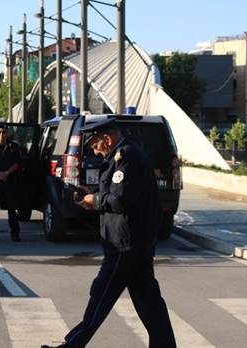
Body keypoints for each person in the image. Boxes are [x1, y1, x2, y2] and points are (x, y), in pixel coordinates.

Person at [41, 118, 175, 348]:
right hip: (134, 242)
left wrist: (94, 201)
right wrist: (89, 193)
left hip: (124, 244)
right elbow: (117, 191)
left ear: (107, 138)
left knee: (100, 297)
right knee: (149, 302)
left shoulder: (127, 157)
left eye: (94, 145)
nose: (94, 150)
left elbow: (121, 200)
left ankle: (71, 346)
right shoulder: (123, 156)